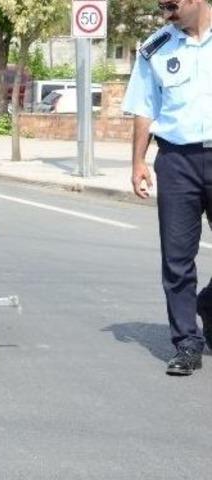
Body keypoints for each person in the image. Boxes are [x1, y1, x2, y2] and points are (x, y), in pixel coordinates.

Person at [123, 0, 212, 375]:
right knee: (177, 260)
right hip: (177, 161)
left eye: (171, 4)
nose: (166, 11)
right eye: (161, 5)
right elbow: (145, 107)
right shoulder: (155, 47)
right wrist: (138, 162)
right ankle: (187, 343)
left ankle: (208, 304)